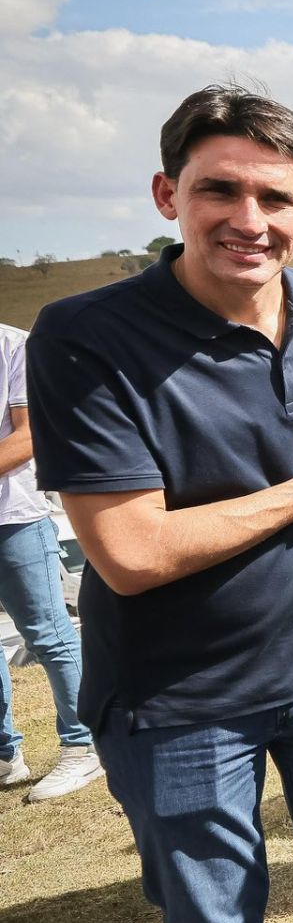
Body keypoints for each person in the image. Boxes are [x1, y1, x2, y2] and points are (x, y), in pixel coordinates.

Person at [25, 84, 293, 923]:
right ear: (169, 195)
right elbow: (131, 553)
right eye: (219, 192)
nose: (250, 220)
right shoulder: (86, 337)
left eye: (276, 199)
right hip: (182, 704)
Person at [0, 324, 102, 803]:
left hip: (13, 518)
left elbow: (30, 434)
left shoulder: (13, 345)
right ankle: (5, 756)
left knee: (47, 632)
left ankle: (83, 747)